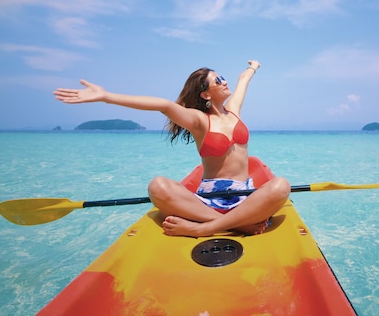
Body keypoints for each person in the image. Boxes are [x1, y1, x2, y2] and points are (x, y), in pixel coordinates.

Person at [53, 60, 291, 237]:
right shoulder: (199, 120)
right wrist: (106, 96)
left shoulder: (234, 111)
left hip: (244, 197)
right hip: (209, 200)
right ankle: (235, 224)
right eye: (217, 80)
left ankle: (208, 228)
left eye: (222, 77)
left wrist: (253, 67)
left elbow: (242, 81)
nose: (224, 81)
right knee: (157, 186)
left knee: (281, 186)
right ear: (206, 94)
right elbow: (164, 105)